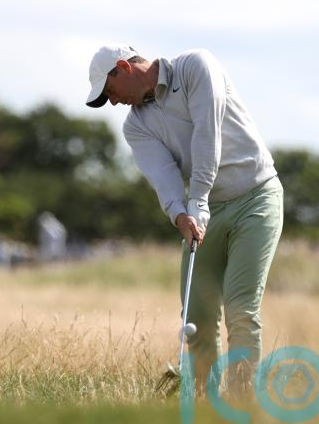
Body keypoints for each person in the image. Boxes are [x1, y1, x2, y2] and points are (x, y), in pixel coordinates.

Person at [86, 45, 284, 397]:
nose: (113, 102)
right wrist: (179, 214)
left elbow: (208, 136)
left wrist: (198, 201)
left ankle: (242, 404)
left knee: (240, 308)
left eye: (110, 91)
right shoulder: (136, 126)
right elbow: (163, 176)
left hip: (256, 196)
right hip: (204, 210)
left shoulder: (196, 66)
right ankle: (205, 404)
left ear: (123, 67)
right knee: (197, 315)